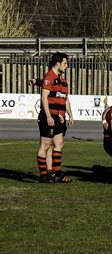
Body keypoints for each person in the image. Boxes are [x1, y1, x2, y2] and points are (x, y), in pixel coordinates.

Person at [36, 52, 73, 183]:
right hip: (49, 117)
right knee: (45, 146)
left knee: (59, 144)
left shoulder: (62, 81)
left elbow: (65, 99)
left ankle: (57, 174)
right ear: (57, 64)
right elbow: (43, 97)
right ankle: (43, 176)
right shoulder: (49, 77)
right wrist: (48, 116)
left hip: (59, 118)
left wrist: (70, 114)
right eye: (65, 63)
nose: (67, 66)